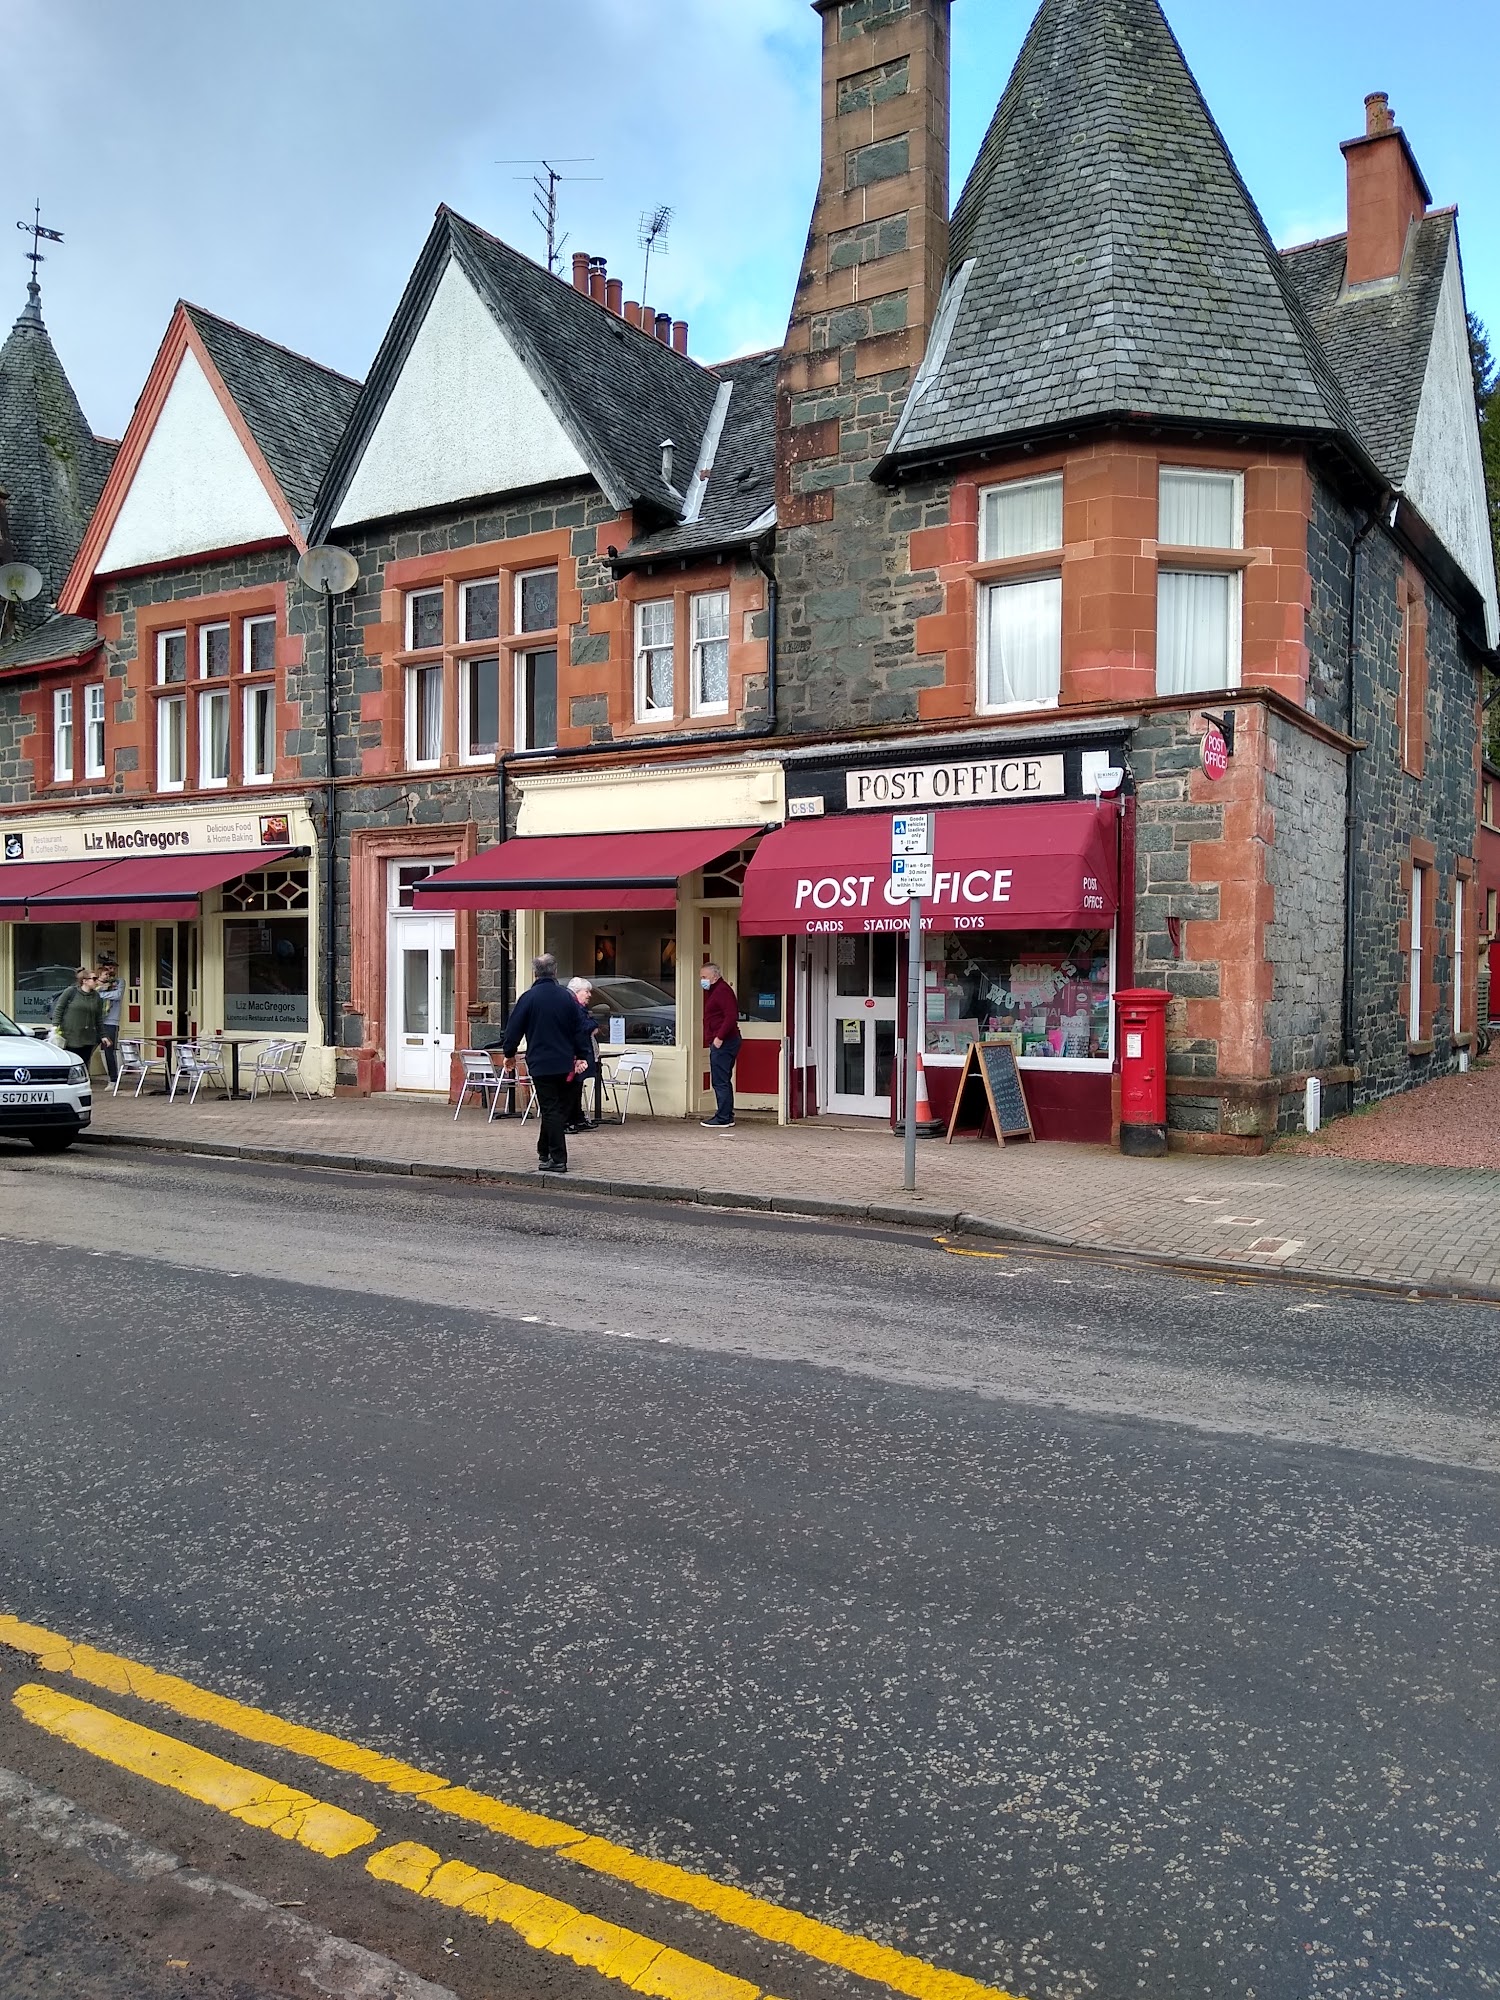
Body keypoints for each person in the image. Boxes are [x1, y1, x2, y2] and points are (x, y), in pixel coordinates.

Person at [500, 953, 593, 1174]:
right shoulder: (566, 998)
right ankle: (544, 1150)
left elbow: (513, 1030)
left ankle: (558, 1158)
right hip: (563, 1063)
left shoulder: (529, 998)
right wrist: (581, 1055)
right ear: (555, 971)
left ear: (535, 973)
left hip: (541, 1063)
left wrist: (509, 1053)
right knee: (555, 1108)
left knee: (551, 1109)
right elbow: (579, 1029)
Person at [700, 961, 741, 1129]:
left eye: (704, 977)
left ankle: (724, 1117)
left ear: (714, 976)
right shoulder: (714, 991)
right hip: (724, 1041)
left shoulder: (722, 991)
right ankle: (725, 1114)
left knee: (720, 1080)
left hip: (725, 1042)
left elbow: (731, 1016)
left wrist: (719, 1037)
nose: (702, 980)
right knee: (722, 1079)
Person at [564, 976, 601, 1134]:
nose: (589, 995)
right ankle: (569, 1120)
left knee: (577, 1086)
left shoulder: (576, 1007)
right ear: (577, 992)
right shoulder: (575, 1008)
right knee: (572, 1088)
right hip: (574, 1056)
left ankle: (577, 1118)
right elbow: (583, 1027)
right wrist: (594, 1024)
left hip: (579, 1053)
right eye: (586, 991)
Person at [52, 967, 105, 1076]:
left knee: (84, 1063)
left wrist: (103, 1035)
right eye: (94, 979)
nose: (97, 981)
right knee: (71, 1061)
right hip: (71, 1035)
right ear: (84, 981)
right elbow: (59, 1008)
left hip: (88, 1036)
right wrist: (55, 1026)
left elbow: (98, 1017)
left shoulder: (96, 996)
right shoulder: (71, 992)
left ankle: (82, 1082)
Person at [95, 957, 123, 1084]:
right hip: (97, 1020)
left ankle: (113, 1080)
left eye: (113, 968)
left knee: (109, 1050)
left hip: (111, 1021)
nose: (111, 971)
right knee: (88, 1047)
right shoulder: (96, 983)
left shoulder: (119, 982)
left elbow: (117, 995)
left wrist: (100, 994)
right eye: (108, 968)